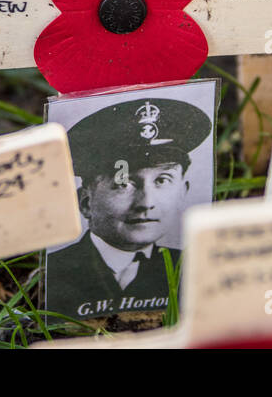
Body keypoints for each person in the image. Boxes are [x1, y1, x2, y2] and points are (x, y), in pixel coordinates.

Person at [45, 97, 211, 319]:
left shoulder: (194, 269)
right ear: (85, 202)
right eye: (123, 184)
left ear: (183, 192)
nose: (146, 202)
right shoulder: (55, 273)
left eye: (162, 180)